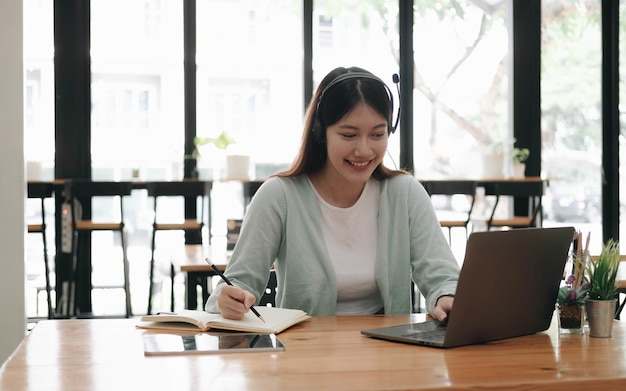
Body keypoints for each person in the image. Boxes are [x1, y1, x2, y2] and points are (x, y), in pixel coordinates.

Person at [205, 66, 460, 322]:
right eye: (349, 135)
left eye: (377, 134)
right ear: (320, 132)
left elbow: (443, 277)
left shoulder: (404, 194)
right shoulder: (279, 197)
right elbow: (237, 283)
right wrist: (229, 299)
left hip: (388, 350)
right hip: (305, 353)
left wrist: (446, 297)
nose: (364, 149)